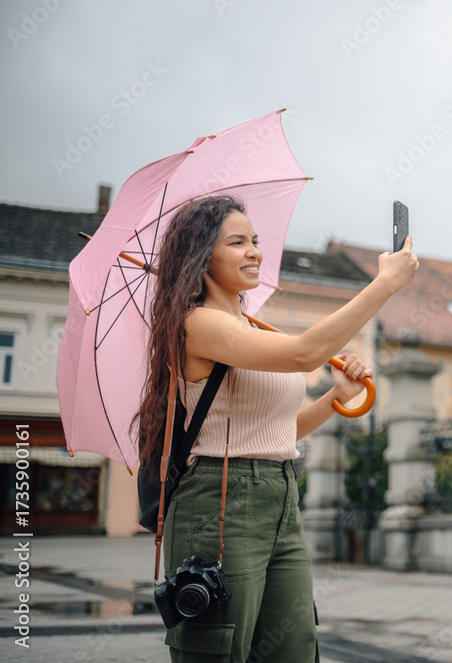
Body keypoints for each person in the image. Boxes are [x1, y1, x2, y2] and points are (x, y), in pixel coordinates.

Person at [132, 195, 418, 662]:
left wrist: (335, 398)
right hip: (219, 498)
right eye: (237, 242)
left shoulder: (250, 327)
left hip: (280, 493)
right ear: (203, 255)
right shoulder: (198, 324)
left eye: (256, 240)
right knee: (217, 649)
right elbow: (305, 354)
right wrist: (383, 285)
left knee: (294, 647)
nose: (254, 252)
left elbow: (279, 432)